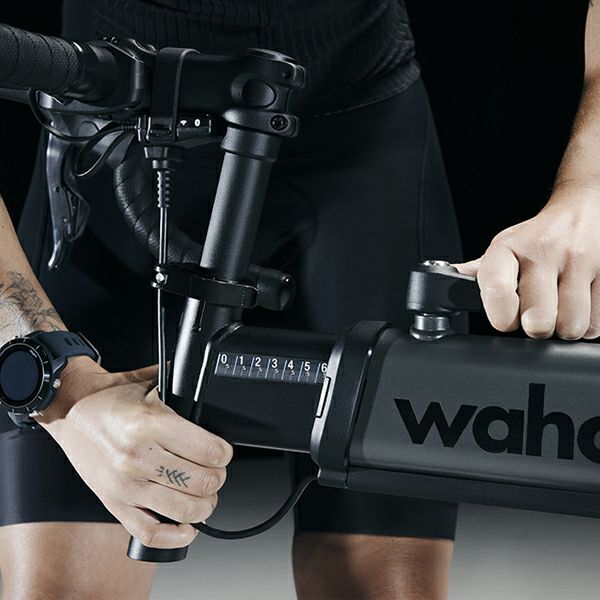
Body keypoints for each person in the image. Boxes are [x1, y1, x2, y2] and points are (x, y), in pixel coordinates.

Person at [0, 1, 599, 599]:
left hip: (359, 140)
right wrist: (61, 390)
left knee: (383, 589)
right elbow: (60, 391)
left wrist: (588, 191)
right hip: (111, 135)